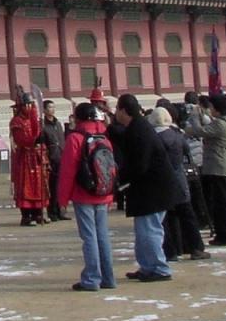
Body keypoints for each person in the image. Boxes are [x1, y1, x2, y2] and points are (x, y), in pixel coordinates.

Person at [111, 94, 177, 282]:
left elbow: (140, 164)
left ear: (124, 110)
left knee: (150, 230)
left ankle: (159, 268)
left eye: (117, 109)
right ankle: (147, 266)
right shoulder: (137, 127)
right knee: (143, 231)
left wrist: (120, 180)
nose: (116, 113)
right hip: (148, 189)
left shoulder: (139, 130)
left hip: (153, 189)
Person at [57, 102, 115, 291]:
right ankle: (108, 277)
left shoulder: (75, 138)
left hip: (83, 194)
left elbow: (68, 171)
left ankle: (91, 279)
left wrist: (62, 199)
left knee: (89, 237)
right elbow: (111, 168)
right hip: (103, 192)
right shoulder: (104, 137)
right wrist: (110, 194)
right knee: (102, 236)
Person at [149, 105, 208, 262]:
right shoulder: (177, 136)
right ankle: (196, 247)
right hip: (179, 179)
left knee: (166, 219)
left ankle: (170, 251)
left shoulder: (153, 138)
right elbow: (187, 151)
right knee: (187, 215)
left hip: (161, 181)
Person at [185, 94, 226, 247]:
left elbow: (199, 131)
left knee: (223, 203)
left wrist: (195, 116)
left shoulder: (220, 124)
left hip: (219, 166)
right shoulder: (225, 121)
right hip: (220, 166)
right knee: (223, 202)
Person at [10, 94, 50, 226]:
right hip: (25, 158)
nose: (28, 107)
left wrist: (42, 139)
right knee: (26, 185)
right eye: (26, 105)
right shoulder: (16, 121)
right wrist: (34, 140)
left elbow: (38, 134)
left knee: (39, 185)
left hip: (37, 157)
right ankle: (26, 216)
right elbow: (20, 140)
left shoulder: (35, 120)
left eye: (30, 104)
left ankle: (38, 213)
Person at [41, 100, 67, 221]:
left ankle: (61, 210)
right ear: (45, 110)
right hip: (51, 159)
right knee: (52, 187)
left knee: (61, 186)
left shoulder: (58, 124)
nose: (52, 110)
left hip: (61, 157)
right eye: (50, 107)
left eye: (53, 107)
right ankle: (52, 212)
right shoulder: (43, 126)